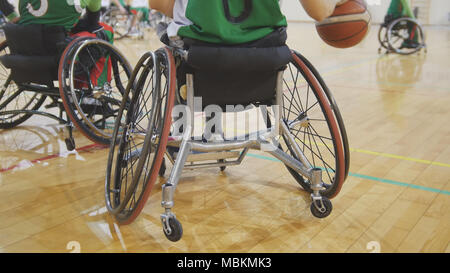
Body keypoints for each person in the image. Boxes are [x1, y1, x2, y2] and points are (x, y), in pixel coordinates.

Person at [149, 0, 348, 46]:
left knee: (168, 32)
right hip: (264, 52)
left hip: (200, 50)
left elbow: (156, 3)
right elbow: (320, 11)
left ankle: (178, 129)